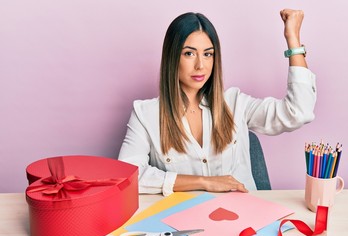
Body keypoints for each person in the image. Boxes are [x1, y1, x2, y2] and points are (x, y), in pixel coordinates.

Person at [118, 9, 316, 196]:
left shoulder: (235, 103)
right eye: (189, 53)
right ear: (172, 57)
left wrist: (293, 41)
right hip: (184, 221)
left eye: (208, 54)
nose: (200, 65)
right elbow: (127, 177)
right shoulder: (146, 114)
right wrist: (203, 181)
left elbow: (297, 112)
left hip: (243, 218)